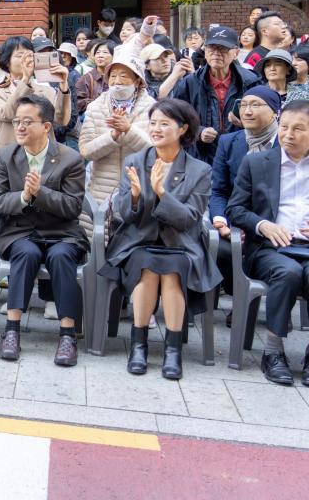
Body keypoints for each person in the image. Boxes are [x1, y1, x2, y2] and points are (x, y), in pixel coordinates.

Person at [101, 98, 219, 379]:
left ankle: (173, 349)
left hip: (181, 244)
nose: (156, 129)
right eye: (152, 123)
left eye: (164, 124)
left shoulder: (199, 170)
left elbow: (190, 219)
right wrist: (135, 196)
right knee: (148, 268)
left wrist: (162, 194)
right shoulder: (135, 161)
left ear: (183, 129)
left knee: (172, 272)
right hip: (138, 240)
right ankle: (139, 345)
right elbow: (121, 215)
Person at [0, 95, 87, 366]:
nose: (19, 127)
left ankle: (68, 334)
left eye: (27, 122)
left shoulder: (70, 158)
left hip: (61, 231)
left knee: (61, 256)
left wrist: (40, 193)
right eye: (17, 121)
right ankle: (11, 331)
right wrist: (23, 197)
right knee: (26, 253)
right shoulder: (7, 155)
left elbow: (73, 207)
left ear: (46, 126)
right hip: (20, 231)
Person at [225, 99, 309, 386]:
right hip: (268, 248)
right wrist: (264, 225)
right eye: (285, 127)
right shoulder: (257, 162)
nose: (289, 134)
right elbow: (235, 210)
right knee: (288, 273)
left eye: (299, 129)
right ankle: (273, 352)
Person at [210, 86, 281, 297]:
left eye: (256, 105)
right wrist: (221, 220)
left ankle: (277, 302)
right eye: (244, 105)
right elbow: (219, 190)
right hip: (236, 218)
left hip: (277, 221)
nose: (247, 111)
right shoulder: (228, 142)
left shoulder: (285, 143)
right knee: (224, 248)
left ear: (275, 111)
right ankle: (242, 298)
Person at [164, 25, 262, 163]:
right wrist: (198, 131)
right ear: (204, 51)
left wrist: (245, 123)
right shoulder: (189, 83)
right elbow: (176, 118)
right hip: (200, 156)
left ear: (236, 52)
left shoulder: (251, 82)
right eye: (211, 48)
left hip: (242, 155)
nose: (216, 53)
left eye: (223, 49)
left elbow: (266, 121)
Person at [0, 37, 71, 183]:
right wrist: (24, 80)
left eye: (30, 55)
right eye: (19, 55)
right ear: (6, 61)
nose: (26, 59)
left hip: (44, 160)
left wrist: (63, 85)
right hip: (11, 161)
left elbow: (61, 119)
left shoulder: (46, 90)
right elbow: (6, 114)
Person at [78, 50, 156, 209]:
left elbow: (156, 151)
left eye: (124, 76)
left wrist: (128, 130)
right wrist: (113, 136)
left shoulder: (152, 108)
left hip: (139, 188)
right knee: (101, 231)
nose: (117, 81)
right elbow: (86, 151)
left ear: (137, 81)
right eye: (113, 76)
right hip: (101, 191)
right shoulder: (95, 107)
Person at [75, 39, 114, 112]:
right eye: (97, 52)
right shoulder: (86, 78)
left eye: (105, 52)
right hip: (93, 119)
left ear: (114, 56)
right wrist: (100, 105)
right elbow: (78, 102)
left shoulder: (117, 78)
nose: (100, 55)